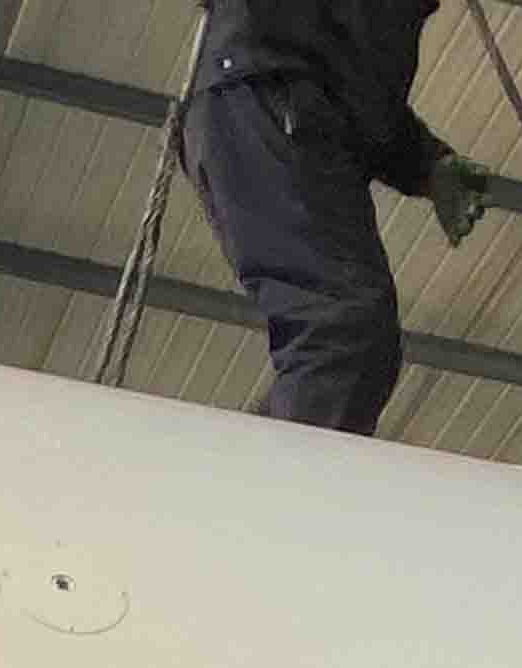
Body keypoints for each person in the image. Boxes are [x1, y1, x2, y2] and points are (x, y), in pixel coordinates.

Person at [178, 3, 492, 436]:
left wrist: (425, 162)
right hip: (270, 90)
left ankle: (261, 460)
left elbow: (355, 84)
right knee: (345, 330)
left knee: (354, 339)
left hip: (283, 101)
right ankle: (283, 474)